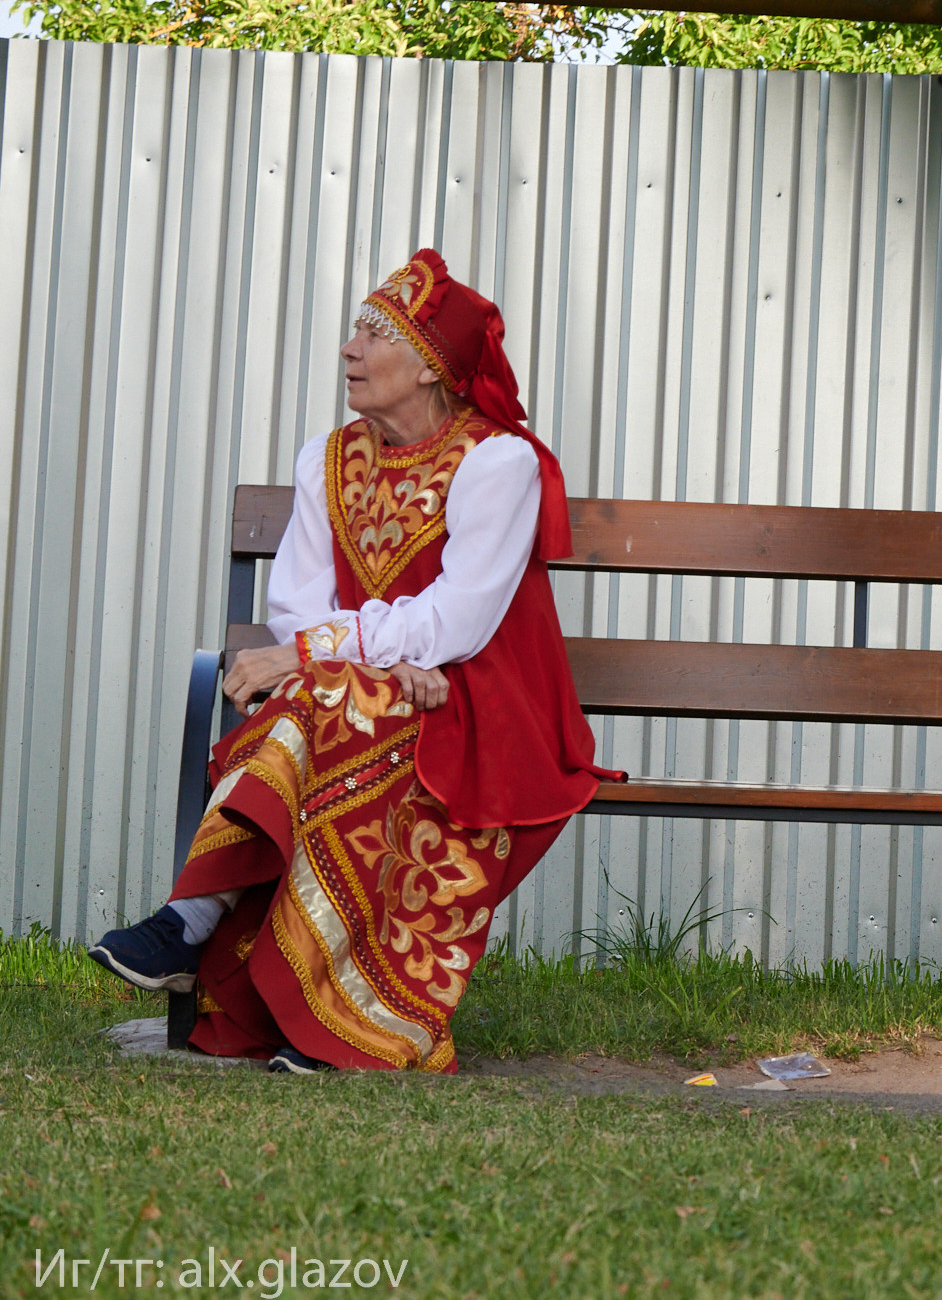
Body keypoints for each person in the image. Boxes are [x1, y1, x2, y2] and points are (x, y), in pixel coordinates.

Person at [89, 250, 621, 1073]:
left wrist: (347, 653)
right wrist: (379, 659)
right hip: (378, 693)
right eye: (355, 332)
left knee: (329, 697)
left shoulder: (498, 462)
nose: (350, 349)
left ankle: (192, 924)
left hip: (481, 703)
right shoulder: (328, 458)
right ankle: (310, 1008)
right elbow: (297, 605)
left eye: (376, 335)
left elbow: (458, 620)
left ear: (431, 364)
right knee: (341, 701)